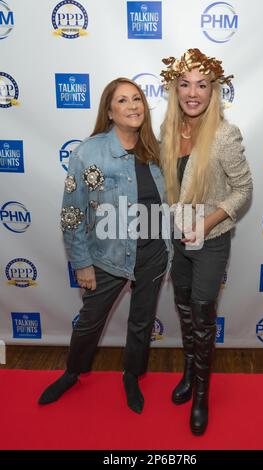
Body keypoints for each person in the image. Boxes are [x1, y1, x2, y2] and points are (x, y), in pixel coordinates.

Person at [38, 77, 172, 414]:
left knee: (142, 320)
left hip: (153, 254)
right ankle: (72, 372)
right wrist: (81, 263)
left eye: (137, 99)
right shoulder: (89, 151)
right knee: (89, 320)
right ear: (109, 112)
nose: (133, 106)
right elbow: (72, 213)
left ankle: (132, 375)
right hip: (106, 257)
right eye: (123, 101)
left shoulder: (155, 149)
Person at [160, 48, 253, 434]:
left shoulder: (225, 135)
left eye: (201, 84)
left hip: (211, 240)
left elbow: (243, 189)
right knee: (183, 310)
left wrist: (208, 221)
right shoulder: (169, 131)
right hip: (180, 240)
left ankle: (201, 394)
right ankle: (187, 373)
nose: (192, 93)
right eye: (185, 84)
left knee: (201, 316)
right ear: (175, 89)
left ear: (213, 90)